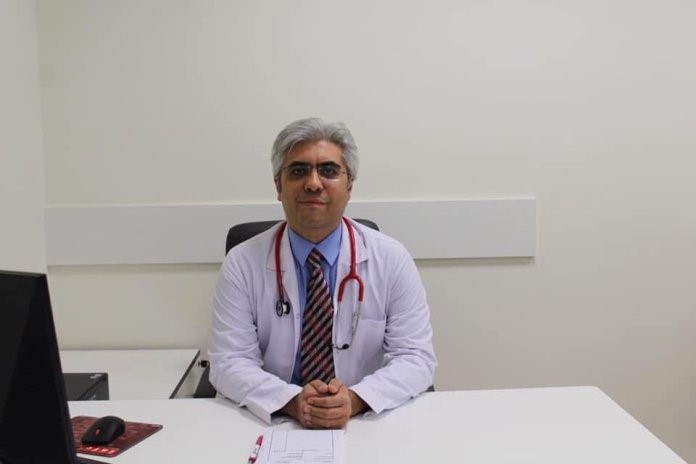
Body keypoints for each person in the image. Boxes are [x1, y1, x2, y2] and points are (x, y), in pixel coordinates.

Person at [209, 117, 436, 428]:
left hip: (365, 422)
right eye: (298, 171)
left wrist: (355, 399)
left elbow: (415, 358)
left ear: (349, 185)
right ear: (278, 186)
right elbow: (229, 362)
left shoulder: (392, 259)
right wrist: (292, 401)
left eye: (328, 171)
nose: (313, 183)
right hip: (273, 420)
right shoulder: (242, 263)